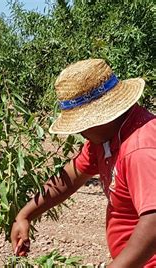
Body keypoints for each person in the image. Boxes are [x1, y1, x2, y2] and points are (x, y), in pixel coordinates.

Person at [10, 59, 156, 267]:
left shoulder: (140, 149)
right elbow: (69, 178)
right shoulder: (105, 137)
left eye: (82, 124)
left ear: (103, 116)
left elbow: (153, 224)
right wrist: (25, 215)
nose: (79, 132)